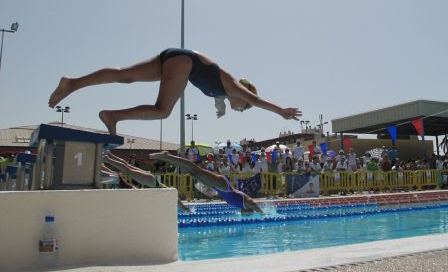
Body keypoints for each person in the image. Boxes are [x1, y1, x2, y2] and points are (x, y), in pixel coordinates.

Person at [48, 48, 302, 134]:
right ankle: (113, 116)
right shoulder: (233, 87)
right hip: (184, 63)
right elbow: (254, 99)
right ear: (243, 95)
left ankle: (72, 83)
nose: (243, 108)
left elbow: (220, 104)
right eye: (243, 107)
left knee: (125, 76)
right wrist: (281, 111)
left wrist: (221, 112)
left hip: (176, 56)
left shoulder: (222, 94)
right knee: (162, 111)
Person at [149, 151, 263, 215]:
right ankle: (167, 156)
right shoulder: (248, 203)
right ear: (248, 210)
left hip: (218, 187)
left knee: (193, 172)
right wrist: (262, 214)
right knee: (196, 170)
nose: (244, 216)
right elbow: (254, 204)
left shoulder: (240, 206)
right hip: (223, 185)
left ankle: (167, 158)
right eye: (247, 214)